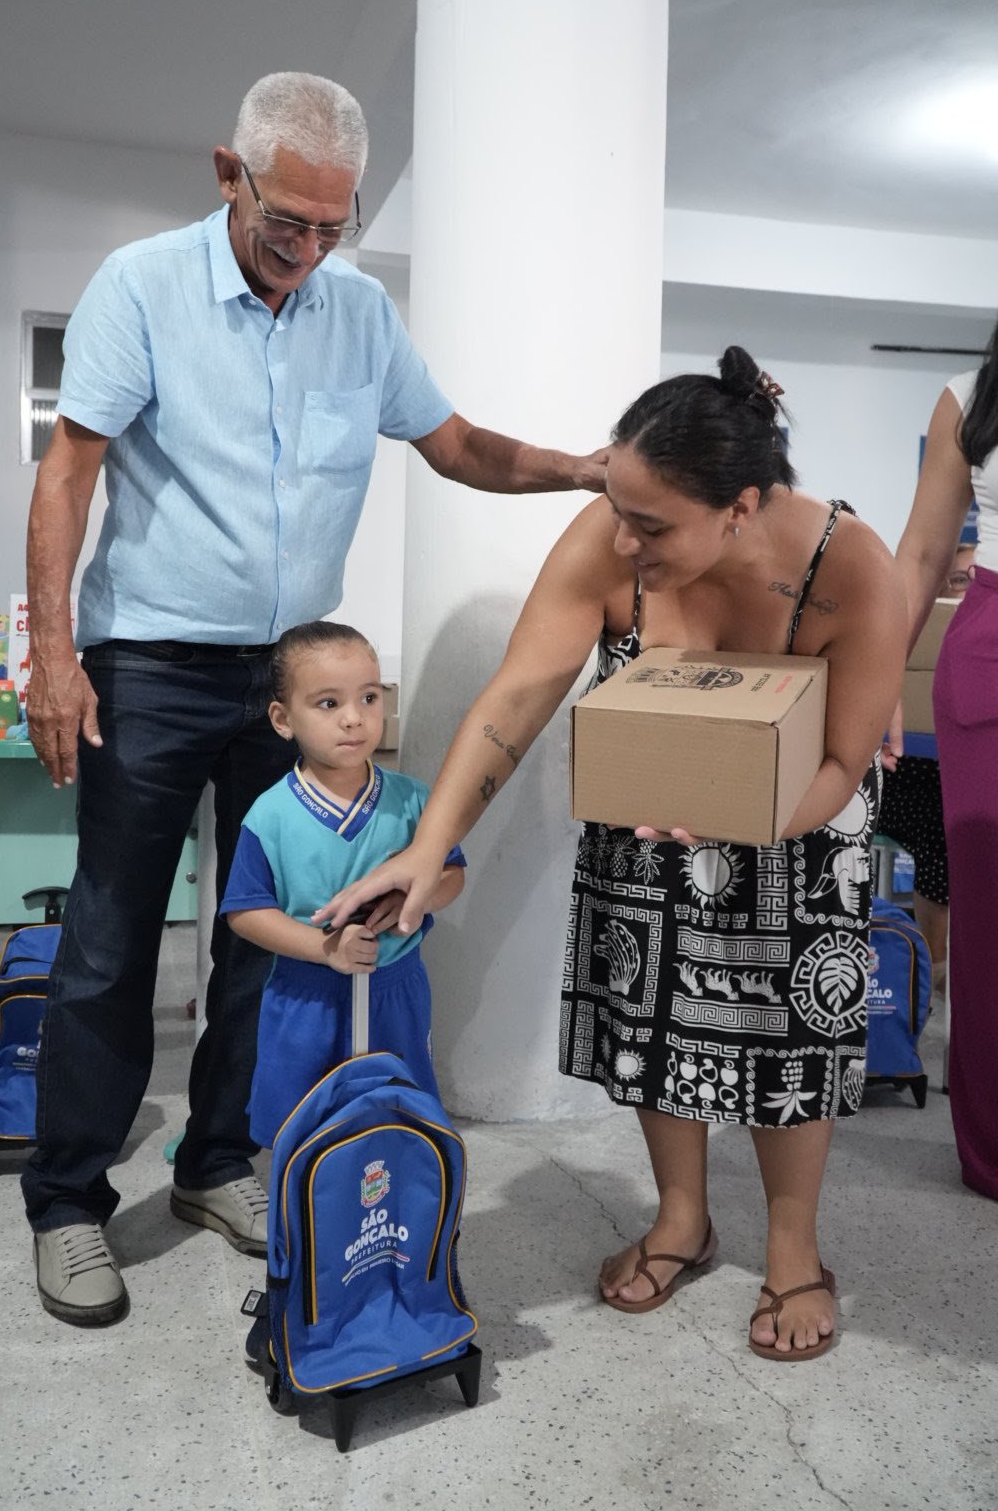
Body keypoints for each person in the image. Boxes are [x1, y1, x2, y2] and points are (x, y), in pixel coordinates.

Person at [23, 70, 608, 1326]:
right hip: (151, 666)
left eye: (334, 227)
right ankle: (69, 1198)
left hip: (285, 677)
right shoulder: (144, 285)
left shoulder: (357, 313)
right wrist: (53, 657)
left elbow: (453, 444)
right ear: (227, 173)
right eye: (287, 220)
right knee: (114, 934)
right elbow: (67, 473)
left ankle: (214, 1162)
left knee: (271, 929)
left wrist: (578, 467)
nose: (308, 249)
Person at [319, 348, 906, 1360]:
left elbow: (848, 757)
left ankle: (793, 1247)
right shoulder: (609, 536)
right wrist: (430, 845)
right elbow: (514, 696)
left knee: (788, 1034)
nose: (623, 538)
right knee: (644, 1018)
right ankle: (682, 1217)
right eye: (618, 509)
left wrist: (746, 813)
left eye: (652, 524)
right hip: (644, 819)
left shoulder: (848, 567)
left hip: (802, 826)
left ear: (741, 506)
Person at [221, 621, 464, 1145]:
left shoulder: (414, 800)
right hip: (308, 995)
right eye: (328, 703)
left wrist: (418, 896)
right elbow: (245, 911)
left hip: (395, 989)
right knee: (305, 1125)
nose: (355, 718)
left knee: (399, 1118)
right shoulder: (271, 815)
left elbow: (452, 874)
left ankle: (389, 1218)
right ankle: (311, 1217)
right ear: (283, 719)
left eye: (369, 697)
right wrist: (323, 946)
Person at [895, 332, 998, 1201]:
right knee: (988, 918)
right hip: (991, 649)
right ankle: (993, 1149)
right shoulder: (971, 396)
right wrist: (877, 680)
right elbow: (921, 559)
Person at [877, 545, 975, 988]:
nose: (966, 589)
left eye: (976, 579)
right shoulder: (907, 629)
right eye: (957, 579)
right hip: (909, 771)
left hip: (962, 766)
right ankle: (935, 965)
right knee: (940, 830)